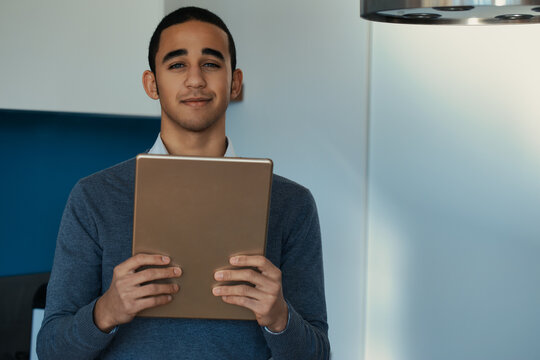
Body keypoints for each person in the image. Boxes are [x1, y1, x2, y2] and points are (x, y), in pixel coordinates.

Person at [37, 6, 329, 360]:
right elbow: (51, 349)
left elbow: (316, 354)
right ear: (151, 83)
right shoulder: (94, 197)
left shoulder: (291, 203)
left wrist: (279, 318)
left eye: (211, 63)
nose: (195, 80)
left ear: (235, 82)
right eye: (177, 65)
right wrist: (107, 311)